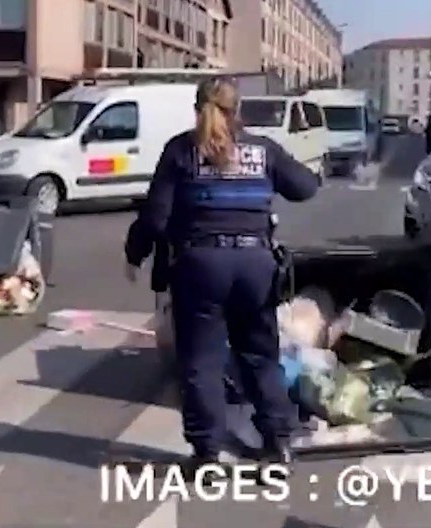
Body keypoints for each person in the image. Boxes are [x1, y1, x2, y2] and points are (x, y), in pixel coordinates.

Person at [123, 77, 321, 468]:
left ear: (197, 108)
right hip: (255, 266)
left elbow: (155, 217)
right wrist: (314, 175)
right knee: (261, 355)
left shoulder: (181, 150)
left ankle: (208, 453)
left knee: (201, 361)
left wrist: (136, 254)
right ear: (238, 109)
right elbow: (303, 188)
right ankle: (278, 442)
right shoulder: (263, 150)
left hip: (200, 267)